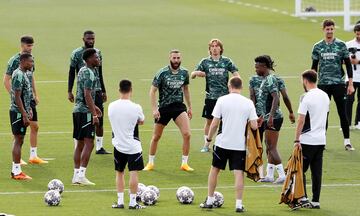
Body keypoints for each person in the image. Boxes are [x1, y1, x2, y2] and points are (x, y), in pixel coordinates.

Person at [199, 77, 258, 213]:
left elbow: (214, 123)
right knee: (238, 173)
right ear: (241, 87)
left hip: (222, 143)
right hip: (239, 145)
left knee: (215, 170)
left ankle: (209, 200)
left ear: (229, 86)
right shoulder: (248, 103)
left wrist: (208, 140)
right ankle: (238, 204)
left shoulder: (222, 100)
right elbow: (254, 126)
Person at [143, 49, 193, 172]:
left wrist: (190, 106)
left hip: (178, 107)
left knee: (187, 134)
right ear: (170, 58)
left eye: (178, 58)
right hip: (164, 108)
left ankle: (184, 163)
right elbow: (152, 91)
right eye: (174, 58)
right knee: (156, 136)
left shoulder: (184, 72)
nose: (176, 60)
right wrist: (155, 109)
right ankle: (150, 162)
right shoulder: (162, 73)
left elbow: (186, 89)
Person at [311, 19, 355, 151]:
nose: (329, 31)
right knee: (323, 113)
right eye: (327, 29)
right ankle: (321, 142)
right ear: (323, 30)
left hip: (338, 84)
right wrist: (311, 86)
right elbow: (313, 68)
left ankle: (347, 142)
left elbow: (348, 65)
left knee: (342, 113)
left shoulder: (341, 45)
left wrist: (350, 84)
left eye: (331, 29)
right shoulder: (317, 46)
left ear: (334, 29)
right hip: (323, 85)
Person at [3, 35, 47, 165]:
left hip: (29, 100)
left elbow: (31, 76)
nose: (31, 48)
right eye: (28, 46)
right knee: (18, 132)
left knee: (35, 126)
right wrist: (15, 97)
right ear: (22, 45)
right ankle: (18, 158)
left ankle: (33, 156)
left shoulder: (30, 60)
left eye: (32, 45)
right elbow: (6, 80)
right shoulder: (14, 61)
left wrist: (35, 94)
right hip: (20, 101)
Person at [191, 38, 240, 152]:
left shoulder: (227, 61)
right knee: (210, 121)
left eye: (217, 46)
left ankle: (223, 143)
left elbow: (236, 75)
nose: (214, 48)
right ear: (209, 49)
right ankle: (206, 145)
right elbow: (192, 74)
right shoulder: (205, 62)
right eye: (212, 46)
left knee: (225, 121)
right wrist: (197, 73)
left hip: (225, 97)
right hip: (211, 97)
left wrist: (235, 84)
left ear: (221, 48)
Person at [68, 30, 110, 154]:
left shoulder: (98, 52)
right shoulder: (76, 54)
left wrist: (103, 90)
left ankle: (99, 147)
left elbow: (100, 72)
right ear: (83, 39)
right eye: (88, 39)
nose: (91, 41)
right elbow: (71, 72)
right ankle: (79, 145)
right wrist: (69, 90)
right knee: (84, 117)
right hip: (85, 90)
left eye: (93, 38)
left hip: (96, 90)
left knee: (99, 119)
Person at [294, 70, 330, 209]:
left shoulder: (305, 97)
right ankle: (316, 201)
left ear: (305, 81)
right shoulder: (325, 96)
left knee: (301, 169)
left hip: (307, 140)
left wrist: (297, 140)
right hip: (321, 139)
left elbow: (301, 120)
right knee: (317, 171)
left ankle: (303, 198)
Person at [108, 80, 146, 210]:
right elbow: (141, 121)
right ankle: (132, 202)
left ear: (119, 90)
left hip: (118, 145)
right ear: (131, 90)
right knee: (133, 173)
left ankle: (120, 202)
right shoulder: (136, 107)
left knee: (119, 173)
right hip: (133, 146)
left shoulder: (111, 106)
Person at [252, 55, 286, 184]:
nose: (255, 69)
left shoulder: (270, 79)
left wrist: (270, 116)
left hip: (274, 118)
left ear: (264, 67)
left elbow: (276, 98)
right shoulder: (266, 79)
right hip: (268, 117)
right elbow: (265, 101)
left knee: (272, 147)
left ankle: (282, 175)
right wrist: (262, 117)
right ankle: (270, 175)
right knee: (268, 146)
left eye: (257, 67)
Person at [71, 48, 102, 186]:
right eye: (96, 57)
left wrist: (94, 107)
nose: (98, 59)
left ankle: (76, 175)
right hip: (85, 113)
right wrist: (94, 114)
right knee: (89, 143)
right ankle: (82, 175)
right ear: (89, 59)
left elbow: (83, 94)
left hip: (77, 110)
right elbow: (87, 94)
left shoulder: (82, 70)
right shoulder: (89, 73)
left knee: (80, 143)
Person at [9, 53, 34, 180]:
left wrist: (29, 109)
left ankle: (16, 170)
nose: (32, 64)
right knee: (18, 139)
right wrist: (24, 114)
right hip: (18, 112)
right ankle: (16, 172)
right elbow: (17, 97)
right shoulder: (18, 74)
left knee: (20, 139)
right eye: (30, 62)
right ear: (23, 61)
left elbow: (25, 95)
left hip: (21, 111)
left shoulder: (24, 73)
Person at [345, 24, 360, 129]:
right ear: (355, 33)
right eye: (357, 33)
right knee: (349, 100)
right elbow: (341, 59)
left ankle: (358, 122)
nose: (359, 35)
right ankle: (347, 123)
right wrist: (348, 61)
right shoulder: (348, 44)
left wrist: (358, 61)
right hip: (350, 77)